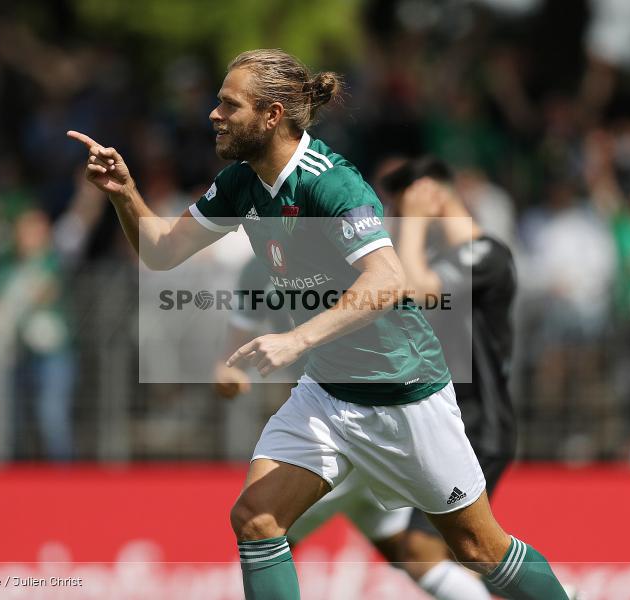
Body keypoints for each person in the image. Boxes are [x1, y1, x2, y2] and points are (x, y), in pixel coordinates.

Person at [69, 48, 568, 600]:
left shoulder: (331, 183)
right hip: (328, 394)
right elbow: (160, 251)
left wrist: (296, 340)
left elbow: (386, 282)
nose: (214, 114)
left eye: (228, 105)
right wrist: (125, 194)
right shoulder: (239, 183)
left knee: (479, 550)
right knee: (256, 519)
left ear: (272, 114)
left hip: (402, 394)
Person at [214, 157, 522, 600]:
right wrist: (228, 365)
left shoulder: (485, 255)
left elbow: (409, 287)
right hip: (360, 416)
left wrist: (413, 220)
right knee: (419, 551)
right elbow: (245, 310)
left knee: (270, 525)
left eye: (399, 206)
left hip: (459, 420)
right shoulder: (313, 258)